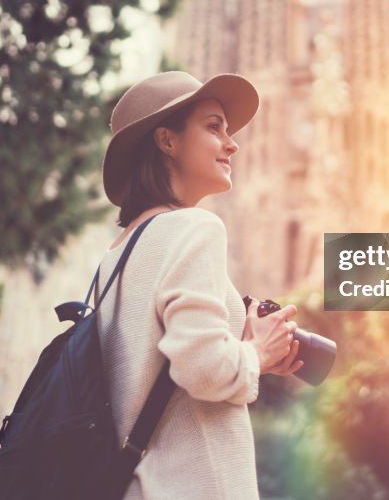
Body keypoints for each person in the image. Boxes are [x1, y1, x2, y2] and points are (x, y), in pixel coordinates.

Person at [97, 70, 302, 499]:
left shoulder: (115, 256)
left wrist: (241, 343)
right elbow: (203, 370)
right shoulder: (195, 228)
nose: (232, 144)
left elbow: (155, 373)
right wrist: (257, 355)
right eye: (214, 127)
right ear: (167, 141)